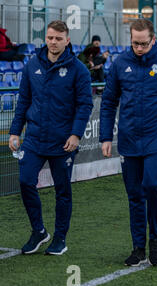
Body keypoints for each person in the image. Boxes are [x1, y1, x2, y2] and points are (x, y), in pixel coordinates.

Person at [99, 19, 157, 266]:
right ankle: (138, 247)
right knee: (134, 194)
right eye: (134, 43)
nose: (139, 48)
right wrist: (106, 136)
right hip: (129, 140)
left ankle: (156, 240)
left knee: (153, 185)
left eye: (143, 43)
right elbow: (108, 101)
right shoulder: (120, 63)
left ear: (153, 39)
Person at [8, 20, 93, 255]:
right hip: (34, 139)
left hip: (63, 141)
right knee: (26, 181)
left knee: (62, 191)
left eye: (58, 38)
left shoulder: (79, 70)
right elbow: (23, 100)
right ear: (45, 39)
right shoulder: (32, 65)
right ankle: (39, 231)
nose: (53, 42)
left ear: (67, 40)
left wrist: (76, 134)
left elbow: (85, 105)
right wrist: (15, 131)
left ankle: (60, 238)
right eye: (49, 38)